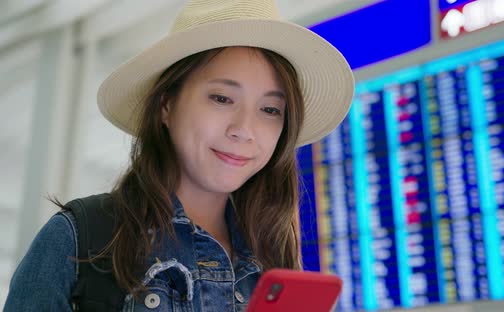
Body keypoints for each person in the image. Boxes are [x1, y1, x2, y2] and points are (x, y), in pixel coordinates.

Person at [4, 0, 354, 311]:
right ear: (166, 105)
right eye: (221, 98)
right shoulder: (79, 238)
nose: (244, 129)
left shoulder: (275, 264)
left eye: (270, 109)